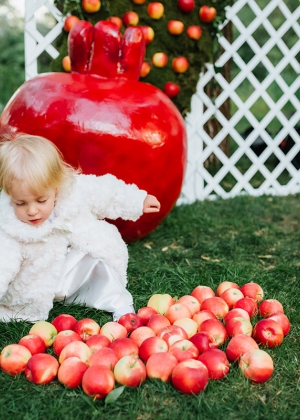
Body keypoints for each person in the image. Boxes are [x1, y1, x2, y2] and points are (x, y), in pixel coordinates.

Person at [0, 133, 160, 322]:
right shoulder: (10, 228)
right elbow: (3, 263)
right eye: (21, 204)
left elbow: (106, 191)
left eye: (41, 200)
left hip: (75, 267)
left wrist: (136, 200)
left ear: (56, 188)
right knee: (22, 297)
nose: (32, 210)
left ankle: (120, 305)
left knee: (100, 264)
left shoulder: (74, 192)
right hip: (38, 282)